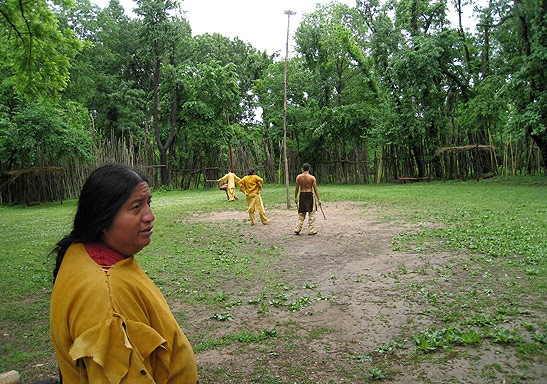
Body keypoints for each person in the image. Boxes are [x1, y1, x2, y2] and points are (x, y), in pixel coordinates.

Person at [50, 163, 198, 384]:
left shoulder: (83, 252)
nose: (150, 216)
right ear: (102, 216)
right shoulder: (106, 299)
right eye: (136, 207)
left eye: (148, 203)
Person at [294, 162, 322, 235]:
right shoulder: (312, 178)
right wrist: (319, 199)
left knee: (301, 213)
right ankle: (311, 230)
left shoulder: (299, 177)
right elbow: (315, 189)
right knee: (312, 213)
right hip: (310, 195)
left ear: (302, 169)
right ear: (309, 169)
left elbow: (297, 189)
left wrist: (295, 197)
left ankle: (297, 228)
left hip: (302, 195)